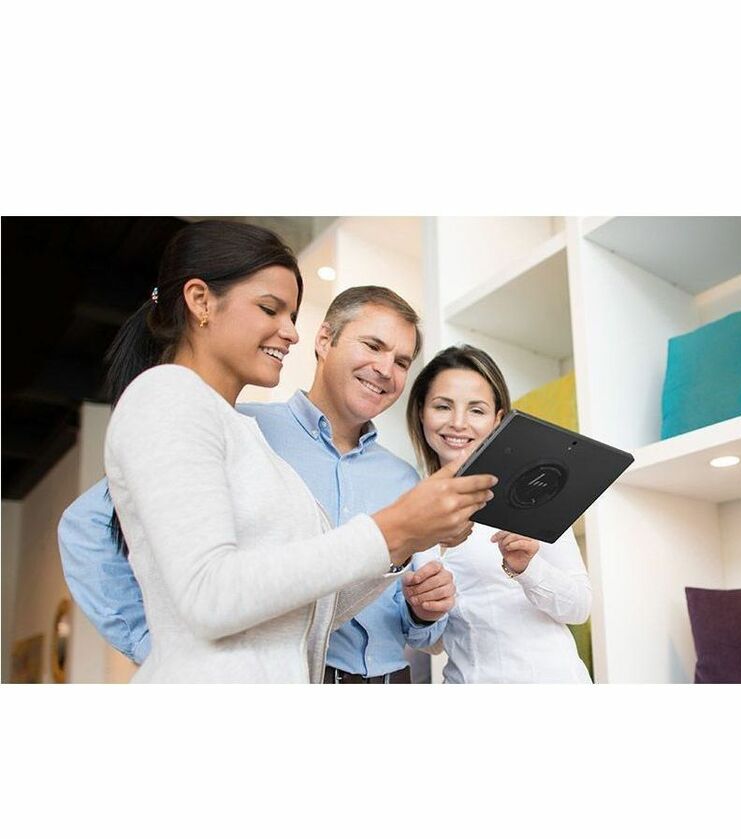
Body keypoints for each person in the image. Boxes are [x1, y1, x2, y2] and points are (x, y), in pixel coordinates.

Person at [59, 220, 495, 683]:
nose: (291, 333)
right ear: (201, 301)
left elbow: (309, 612)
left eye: (403, 361)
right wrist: (160, 647)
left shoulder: (243, 434)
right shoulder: (172, 397)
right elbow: (207, 592)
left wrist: (400, 544)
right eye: (270, 309)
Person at [403, 344, 592, 684]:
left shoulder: (531, 494)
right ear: (421, 412)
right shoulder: (412, 507)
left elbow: (579, 607)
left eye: (476, 410)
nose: (458, 423)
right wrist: (424, 611)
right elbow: (433, 641)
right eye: (443, 406)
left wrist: (527, 568)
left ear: (498, 420)